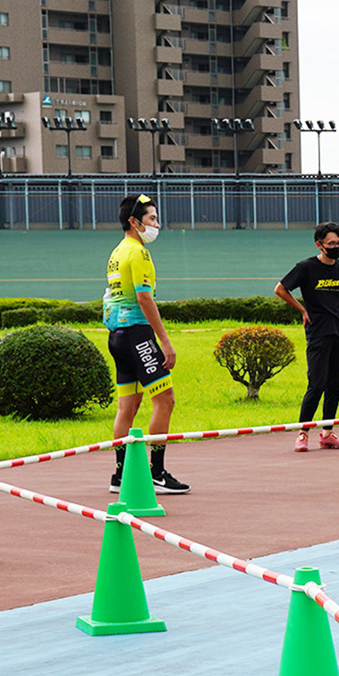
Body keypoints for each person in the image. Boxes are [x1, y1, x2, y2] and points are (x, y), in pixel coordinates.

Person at [104, 194, 188, 494]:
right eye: (152, 219)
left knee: (128, 405)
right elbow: (144, 297)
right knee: (165, 400)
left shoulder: (116, 252)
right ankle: (157, 472)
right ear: (134, 222)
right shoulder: (138, 253)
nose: (156, 225)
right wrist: (164, 341)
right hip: (138, 335)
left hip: (118, 336)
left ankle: (120, 474)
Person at [275, 222, 339, 452]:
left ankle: (327, 434)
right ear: (319, 244)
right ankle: (303, 433)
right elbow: (281, 289)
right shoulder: (306, 268)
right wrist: (302, 310)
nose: (336, 247)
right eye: (331, 243)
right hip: (318, 333)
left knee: (334, 385)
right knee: (317, 384)